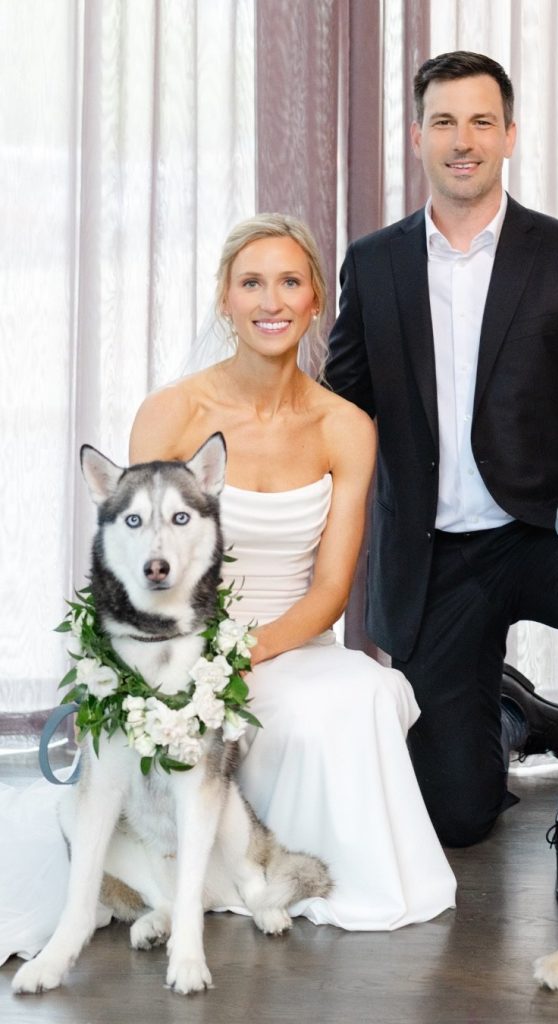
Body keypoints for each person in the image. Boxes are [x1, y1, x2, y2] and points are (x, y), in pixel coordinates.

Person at [0, 213, 455, 965]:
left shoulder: (345, 426)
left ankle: (321, 886)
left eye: (288, 282)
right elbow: (133, 558)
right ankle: (193, 880)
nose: (269, 300)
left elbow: (334, 586)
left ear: (314, 302)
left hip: (293, 641)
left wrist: (244, 655)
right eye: (251, 283)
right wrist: (193, 662)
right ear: (224, 299)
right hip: (176, 647)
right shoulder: (175, 412)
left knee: (363, 694)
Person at [325, 51, 558, 905]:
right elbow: (341, 406)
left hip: (543, 526)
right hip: (435, 552)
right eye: (444, 122)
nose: (463, 141)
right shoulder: (372, 265)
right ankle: (516, 715)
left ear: (509, 135)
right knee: (456, 814)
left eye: (481, 121)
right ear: (418, 138)